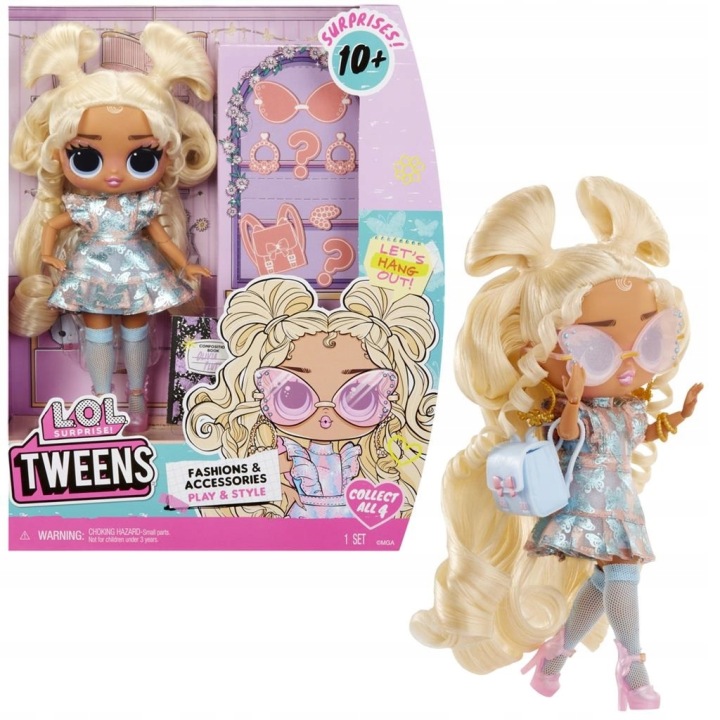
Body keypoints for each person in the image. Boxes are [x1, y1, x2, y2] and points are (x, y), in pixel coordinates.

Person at [410, 177, 702, 711]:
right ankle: (632, 664)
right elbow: (568, 437)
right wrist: (570, 400)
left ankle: (556, 655)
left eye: (652, 337)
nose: (630, 362)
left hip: (621, 507)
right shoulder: (570, 414)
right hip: (584, 508)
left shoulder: (627, 410)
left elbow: (641, 435)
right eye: (595, 345)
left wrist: (678, 416)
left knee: (604, 582)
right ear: (531, 351)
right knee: (623, 576)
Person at [10, 21, 217, 430]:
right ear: (59, 155)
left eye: (141, 158)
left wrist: (184, 264)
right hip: (92, 273)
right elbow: (52, 225)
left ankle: (137, 396)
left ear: (166, 155)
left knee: (137, 330)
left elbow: (161, 237)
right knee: (98, 332)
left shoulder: (144, 204)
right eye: (86, 157)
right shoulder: (83, 205)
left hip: (138, 272)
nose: (115, 174)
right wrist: (48, 254)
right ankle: (102, 399)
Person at [184, 276, 437, 518]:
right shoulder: (278, 455)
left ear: (390, 396)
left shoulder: (376, 464)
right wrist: (266, 480)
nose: (325, 417)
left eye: (359, 398)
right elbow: (196, 495)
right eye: (292, 396)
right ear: (260, 391)